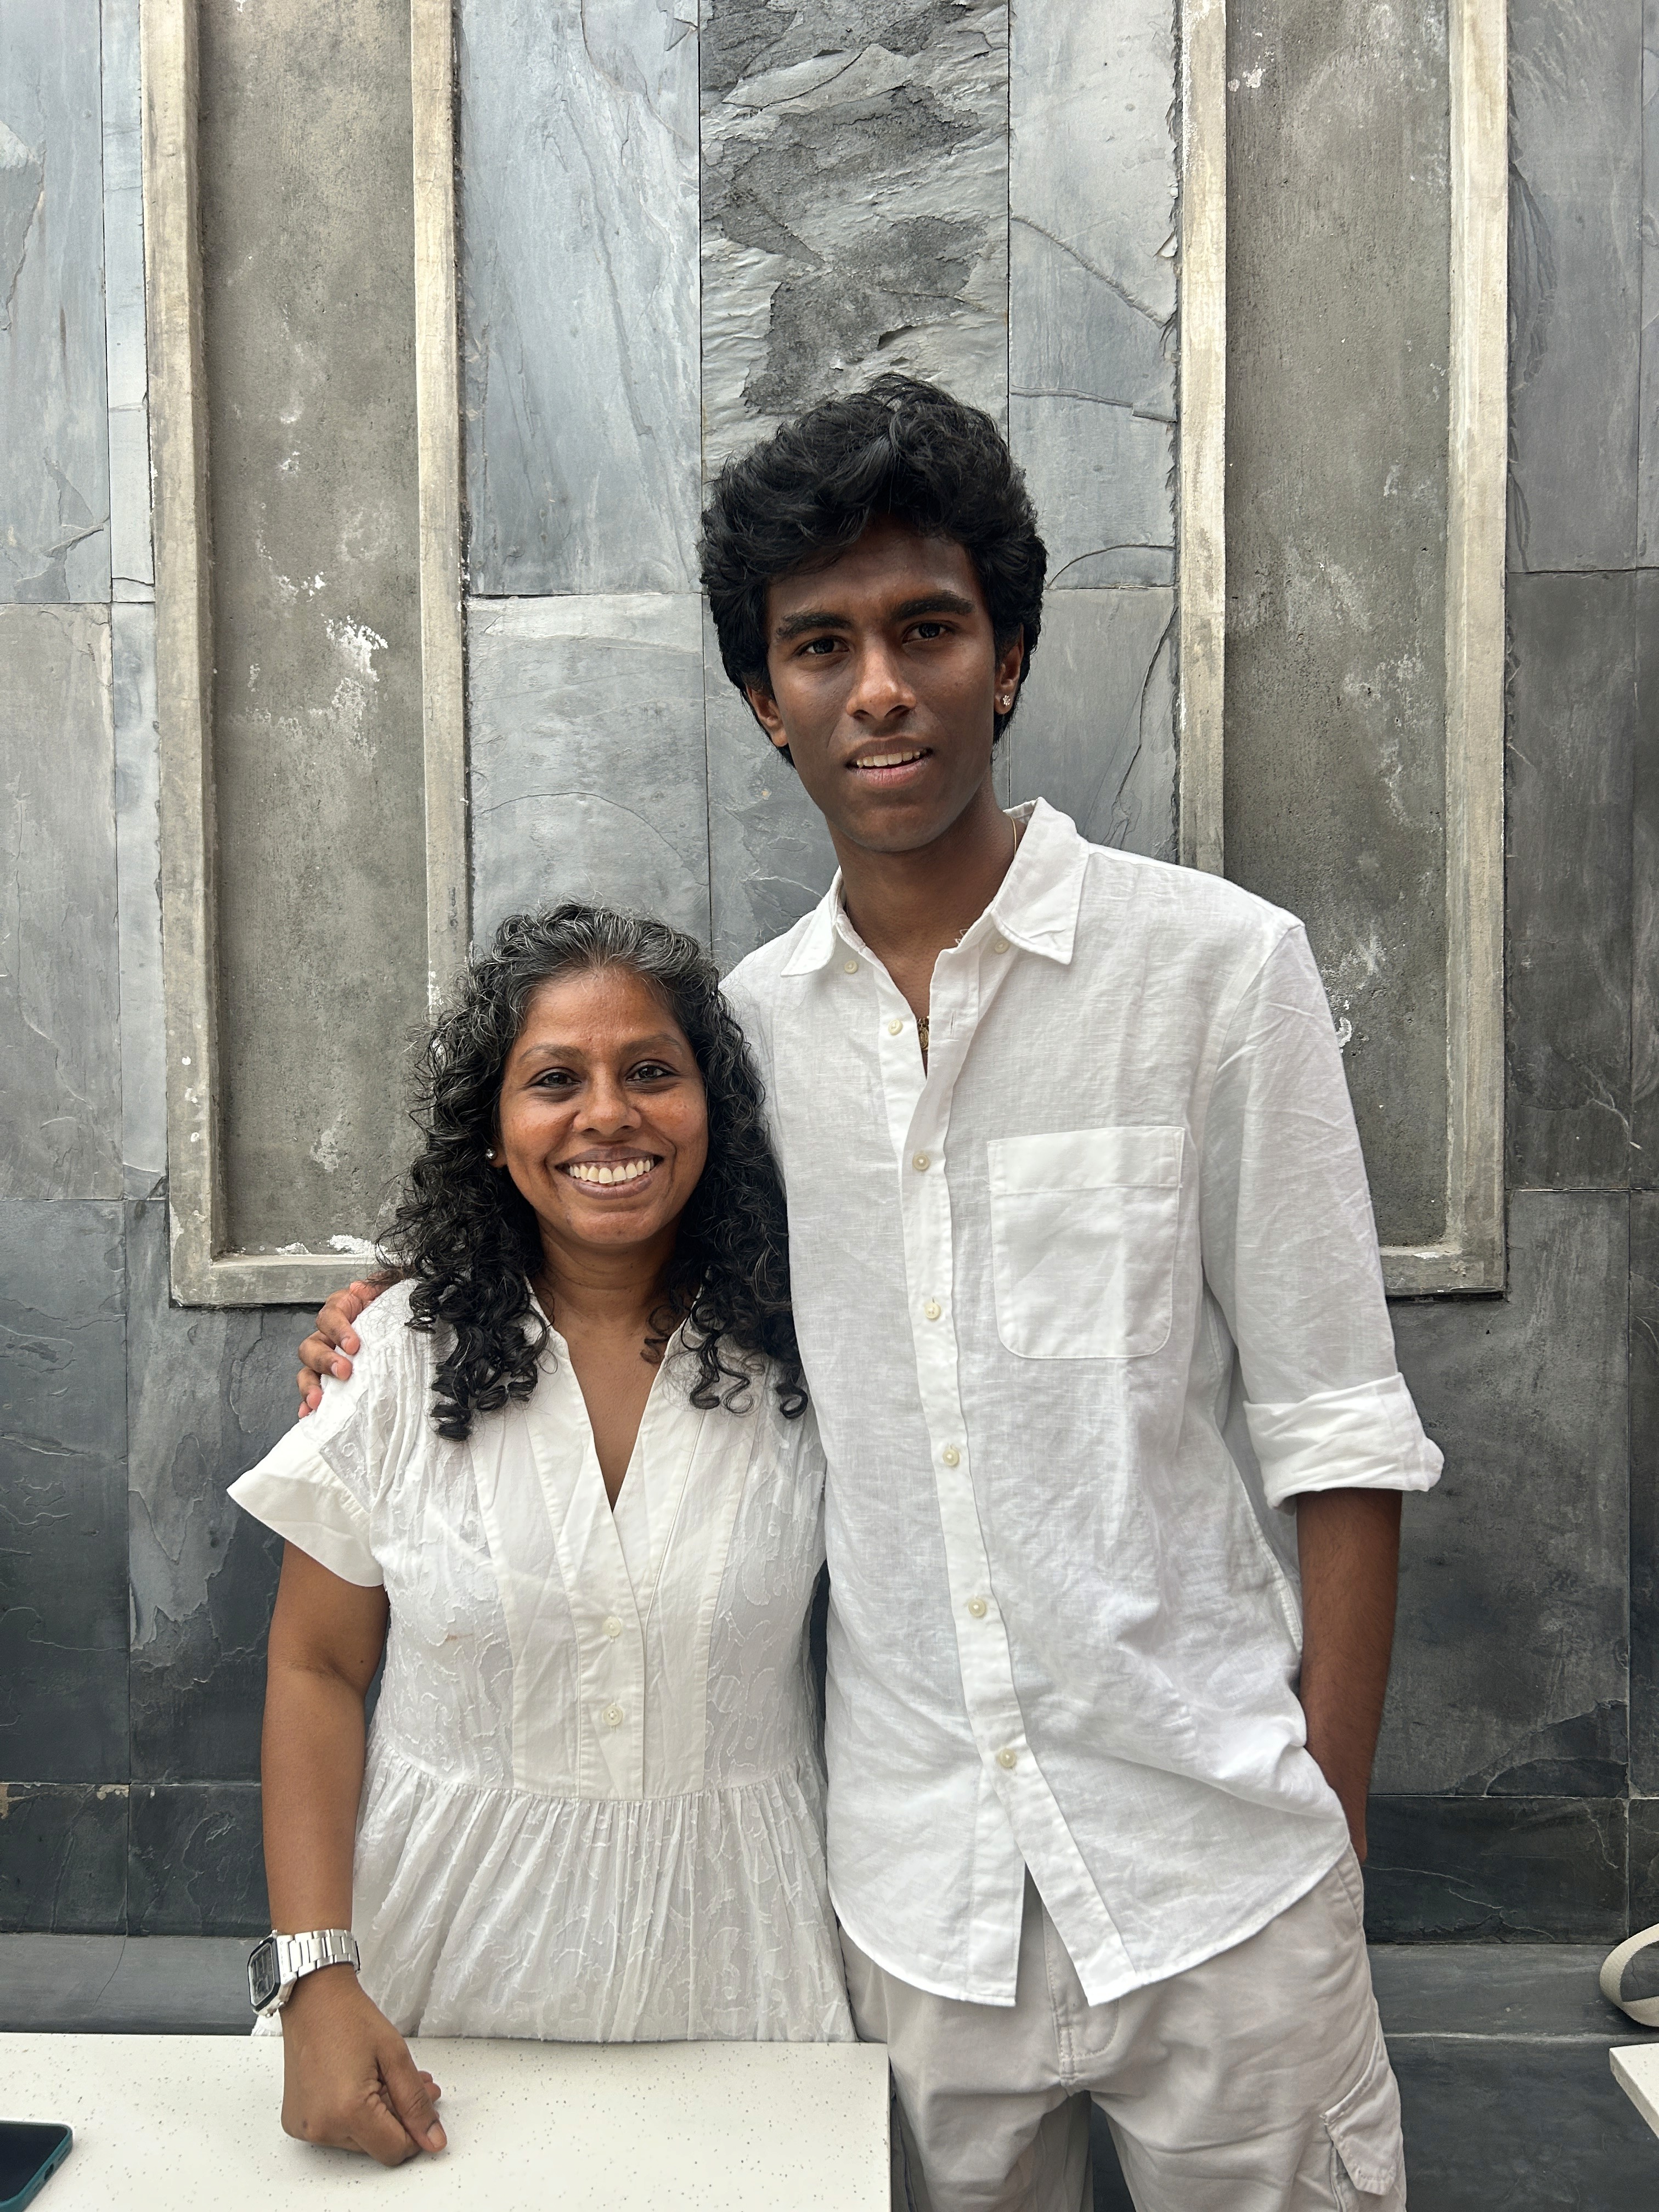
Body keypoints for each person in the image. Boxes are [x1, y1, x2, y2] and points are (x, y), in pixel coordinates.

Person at [302, 376, 1439, 2210]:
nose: (879, 688)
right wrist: (395, 1298)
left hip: (1222, 1879)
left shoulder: (1219, 977)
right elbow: (597, 1222)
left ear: (1008, 656)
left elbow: (1340, 1433)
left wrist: (1329, 1833)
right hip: (913, 1907)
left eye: (928, 630)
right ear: (767, 700)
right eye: (820, 647)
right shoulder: (741, 1046)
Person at [236, 906, 851, 2169]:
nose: (607, 1115)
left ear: (715, 1109)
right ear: (493, 1130)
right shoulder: (393, 1359)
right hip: (434, 1990)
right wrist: (314, 1975)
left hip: (743, 1978)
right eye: (555, 1080)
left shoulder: (816, 1356)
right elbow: (315, 1667)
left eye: (652, 1071)